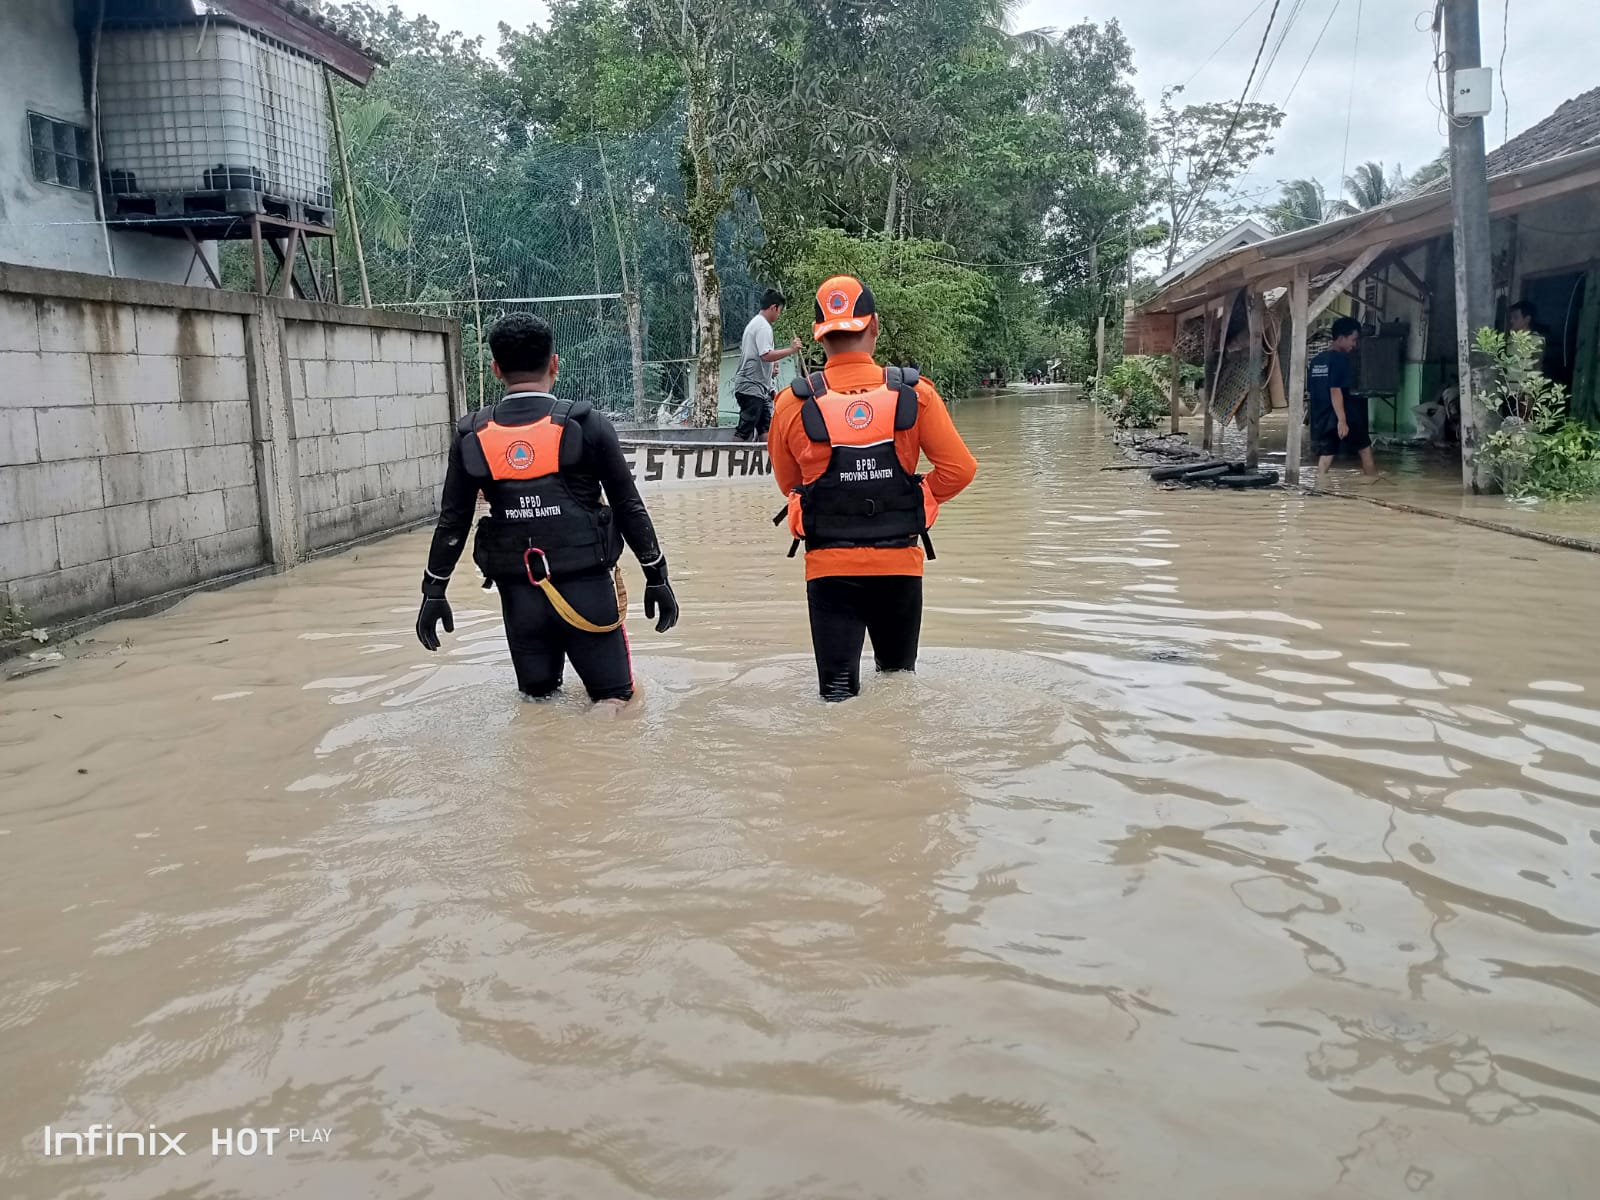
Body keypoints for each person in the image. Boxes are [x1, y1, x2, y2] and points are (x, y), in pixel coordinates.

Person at [415, 312, 679, 705]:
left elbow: (453, 521)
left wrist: (433, 591)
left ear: (496, 369)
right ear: (554, 363)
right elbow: (629, 506)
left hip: (520, 600)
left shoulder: (472, 436)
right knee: (616, 702)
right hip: (587, 591)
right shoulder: (589, 425)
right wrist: (656, 576)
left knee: (539, 704)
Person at [768, 275, 978, 701]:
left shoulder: (791, 404)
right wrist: (912, 498)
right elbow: (959, 470)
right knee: (899, 685)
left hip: (829, 570)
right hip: (899, 567)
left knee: (838, 696)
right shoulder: (916, 394)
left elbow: (791, 484)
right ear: (875, 326)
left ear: (818, 336)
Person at [1309, 316, 1379, 481]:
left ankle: (1319, 486)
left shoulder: (1317, 360)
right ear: (1341, 337)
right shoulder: (1340, 359)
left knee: (1326, 455)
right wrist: (1342, 420)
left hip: (1322, 417)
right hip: (1343, 414)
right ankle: (1373, 481)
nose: (1354, 345)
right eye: (1353, 340)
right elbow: (1335, 390)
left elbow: (1314, 391)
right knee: (1364, 448)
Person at [733, 289, 804, 442]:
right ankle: (730, 460)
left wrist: (771, 369)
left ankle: (767, 461)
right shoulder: (763, 326)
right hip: (751, 386)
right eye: (779, 311)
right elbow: (766, 355)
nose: (779, 315)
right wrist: (791, 350)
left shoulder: (756, 324)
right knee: (745, 429)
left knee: (765, 427)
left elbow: (762, 355)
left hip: (759, 388)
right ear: (774, 307)